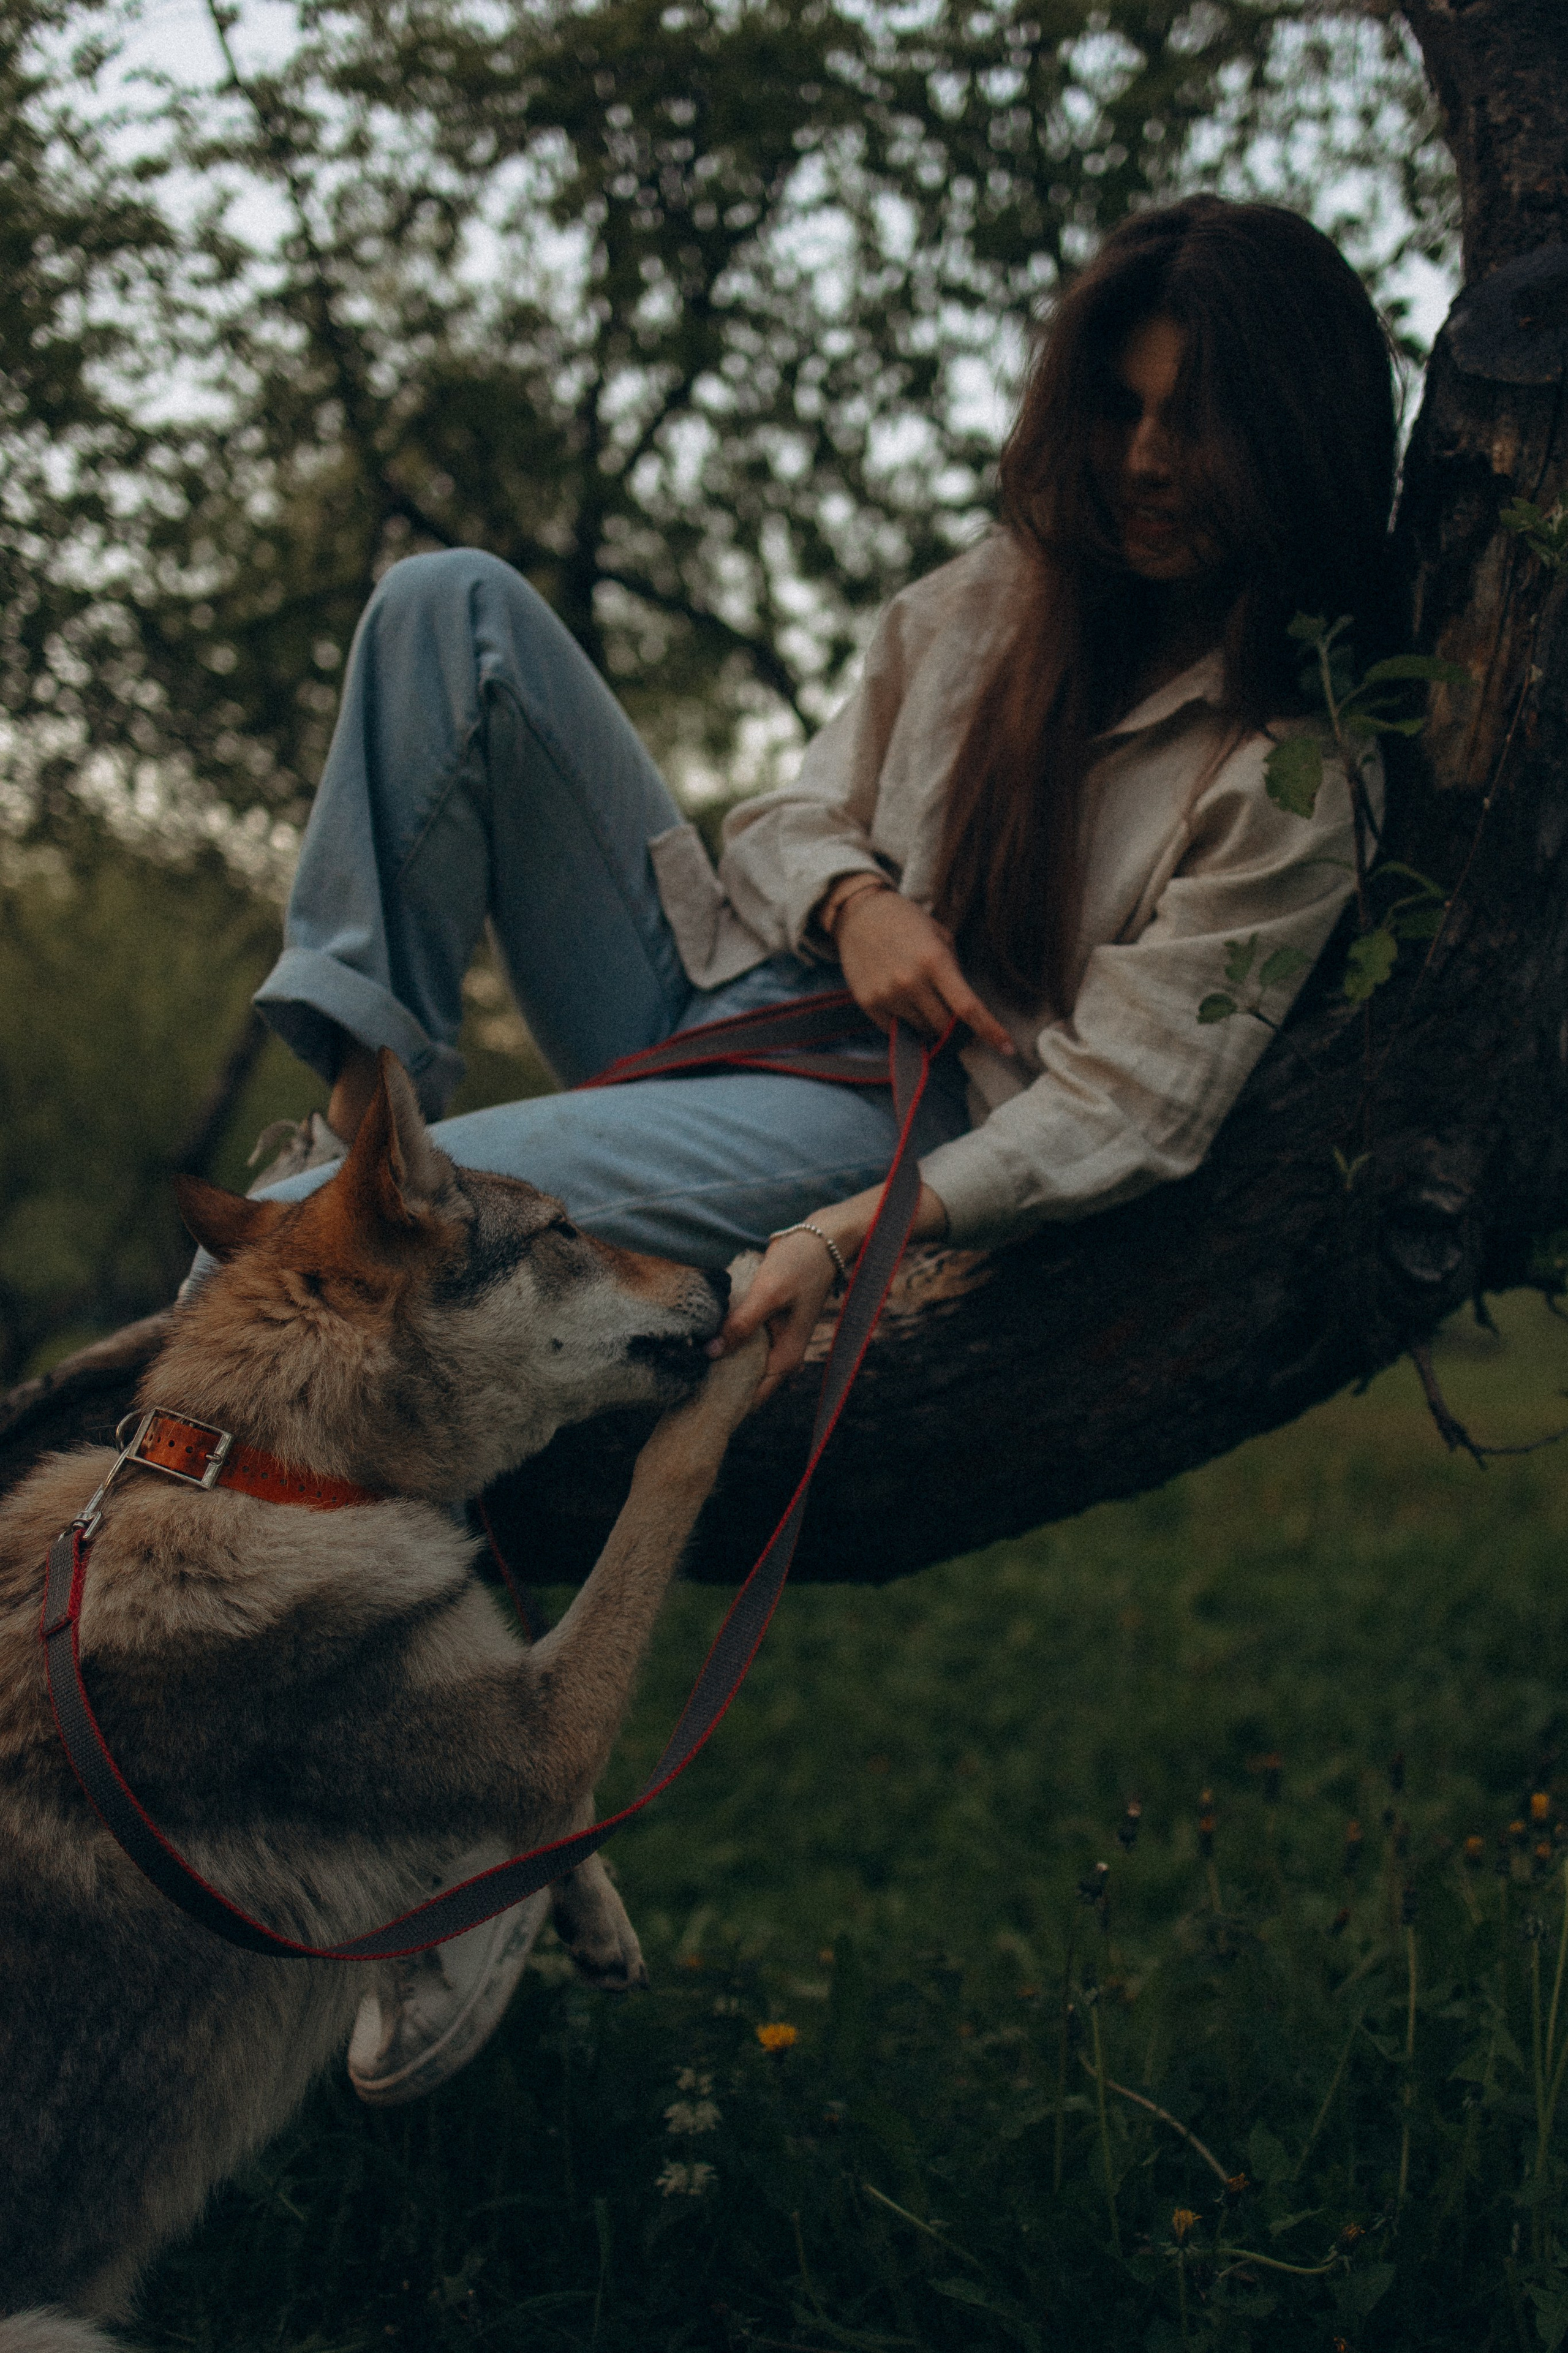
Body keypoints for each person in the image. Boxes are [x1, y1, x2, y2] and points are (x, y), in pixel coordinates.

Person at [236, 193, 1400, 2096]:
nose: (1148, 462)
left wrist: (876, 1220)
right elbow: (780, 814)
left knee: (292, 1244)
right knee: (452, 607)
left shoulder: (1290, 772)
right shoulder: (986, 598)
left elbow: (1134, 1110)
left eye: (1204, 419)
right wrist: (856, 895)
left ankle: (480, 1815)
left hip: (868, 1109)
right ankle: (380, 1126)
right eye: (1119, 406)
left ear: (1305, 433)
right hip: (723, 991)